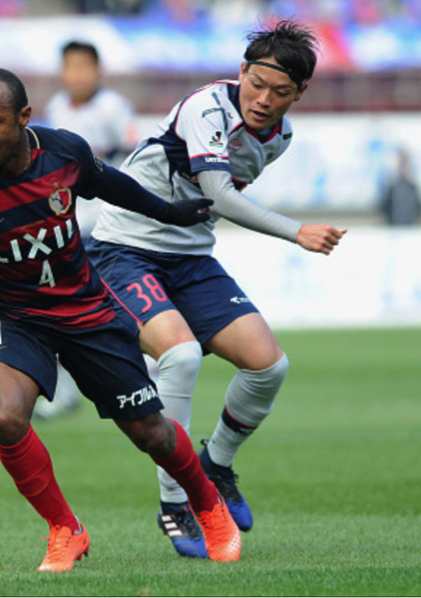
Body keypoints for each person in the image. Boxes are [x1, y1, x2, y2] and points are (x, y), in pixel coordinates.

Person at [0, 67, 242, 571]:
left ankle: (208, 504)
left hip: (87, 309)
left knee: (151, 433)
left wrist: (169, 213)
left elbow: (109, 184)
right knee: (3, 414)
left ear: (24, 117)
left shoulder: (62, 152)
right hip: (12, 316)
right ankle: (64, 529)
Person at [86, 20, 348, 559]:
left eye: (279, 92)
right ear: (241, 74)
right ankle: (176, 502)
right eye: (256, 84)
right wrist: (296, 230)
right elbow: (220, 196)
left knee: (269, 365)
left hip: (189, 258)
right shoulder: (207, 108)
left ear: (300, 94)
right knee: (180, 356)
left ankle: (217, 464)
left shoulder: (281, 138)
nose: (263, 99)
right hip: (124, 248)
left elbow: (211, 205)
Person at [37, 39, 140, 421]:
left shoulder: (113, 108)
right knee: (57, 308)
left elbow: (134, 156)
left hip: (107, 228)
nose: (77, 75)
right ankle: (63, 393)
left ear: (98, 71)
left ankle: (150, 378)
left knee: (121, 305)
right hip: (68, 228)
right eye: (70, 67)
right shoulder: (57, 108)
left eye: (84, 67)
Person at [379, 148, 421, 226]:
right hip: (394, 230)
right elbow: (384, 207)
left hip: (411, 229)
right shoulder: (392, 188)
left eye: (406, 164)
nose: (404, 167)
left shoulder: (413, 188)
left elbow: (420, 208)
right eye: (402, 163)